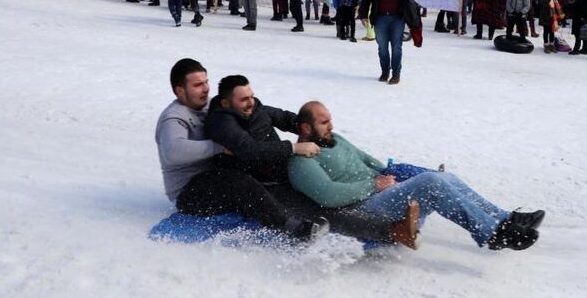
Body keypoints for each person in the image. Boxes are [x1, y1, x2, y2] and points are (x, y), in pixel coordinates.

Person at [288, 102, 544, 251]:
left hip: (383, 192)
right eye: (324, 122)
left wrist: (392, 175)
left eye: (330, 120)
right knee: (432, 183)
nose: (331, 126)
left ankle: (505, 218)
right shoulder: (301, 162)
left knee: (446, 178)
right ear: (306, 127)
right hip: (364, 209)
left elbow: (368, 160)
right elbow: (329, 196)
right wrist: (374, 184)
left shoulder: (336, 139)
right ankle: (491, 234)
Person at [202, 75, 417, 247]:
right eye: (243, 99)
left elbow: (285, 118)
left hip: (280, 172)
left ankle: (392, 210)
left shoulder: (255, 108)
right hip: (260, 185)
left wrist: (311, 126)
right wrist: (295, 147)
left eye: (251, 96)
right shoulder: (222, 122)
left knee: (320, 194)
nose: (251, 102)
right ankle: (393, 231)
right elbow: (250, 150)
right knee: (319, 210)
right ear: (225, 102)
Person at [154, 59, 327, 242]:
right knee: (239, 182)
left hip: (220, 175)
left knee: (263, 182)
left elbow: (261, 114)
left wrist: (307, 126)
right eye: (197, 85)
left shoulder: (212, 105)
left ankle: (313, 214)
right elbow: (173, 152)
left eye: (206, 82)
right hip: (189, 191)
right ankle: (293, 229)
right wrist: (217, 147)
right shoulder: (173, 117)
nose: (205, 89)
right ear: (180, 90)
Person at [358, 0, 418, 85]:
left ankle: (396, 74)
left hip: (397, 18)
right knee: (382, 48)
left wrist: (411, 14)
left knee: (397, 47)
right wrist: (363, 14)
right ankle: (385, 71)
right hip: (380, 18)